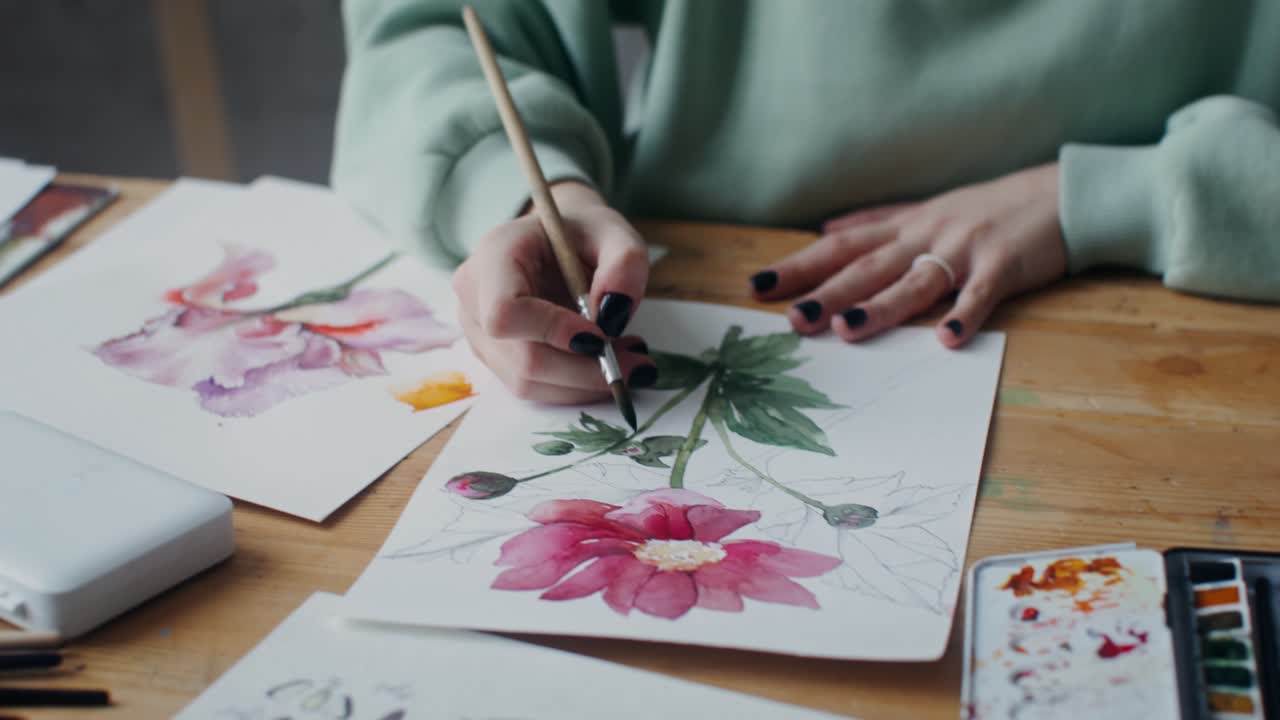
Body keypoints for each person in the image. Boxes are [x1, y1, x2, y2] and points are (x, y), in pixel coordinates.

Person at [332, 1, 1280, 405]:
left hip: (1189, 329)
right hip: (688, 284)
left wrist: (1123, 195)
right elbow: (450, 27)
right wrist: (522, 183)